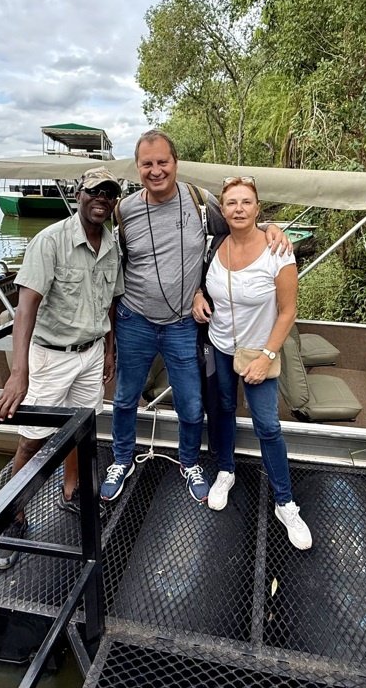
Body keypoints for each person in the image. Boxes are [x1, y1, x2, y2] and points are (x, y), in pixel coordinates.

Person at [101, 130, 291, 504]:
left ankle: (189, 461)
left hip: (181, 325)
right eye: (147, 164)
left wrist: (272, 228)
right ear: (137, 168)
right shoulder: (123, 211)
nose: (156, 171)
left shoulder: (199, 201)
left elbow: (239, 228)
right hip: (134, 319)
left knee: (191, 404)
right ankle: (121, 458)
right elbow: (111, 261)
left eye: (162, 162)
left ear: (175, 163)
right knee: (124, 398)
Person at [0, 166, 124, 569]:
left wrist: (110, 350)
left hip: (92, 351)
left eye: (109, 194)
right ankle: (13, 520)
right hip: (50, 356)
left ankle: (71, 492)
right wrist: (18, 371)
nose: (101, 198)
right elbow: (25, 308)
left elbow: (112, 303)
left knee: (81, 430)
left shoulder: (112, 244)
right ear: (78, 194)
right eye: (94, 191)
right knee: (31, 439)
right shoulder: (50, 241)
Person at [194, 175, 312, 550]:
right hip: (219, 347)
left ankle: (285, 502)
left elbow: (288, 310)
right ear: (222, 210)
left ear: (258, 208)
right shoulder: (214, 246)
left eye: (246, 202)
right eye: (231, 203)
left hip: (259, 352)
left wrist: (267, 356)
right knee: (223, 410)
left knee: (267, 425)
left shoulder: (278, 251)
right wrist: (198, 295)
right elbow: (199, 281)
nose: (239, 209)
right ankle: (225, 471)